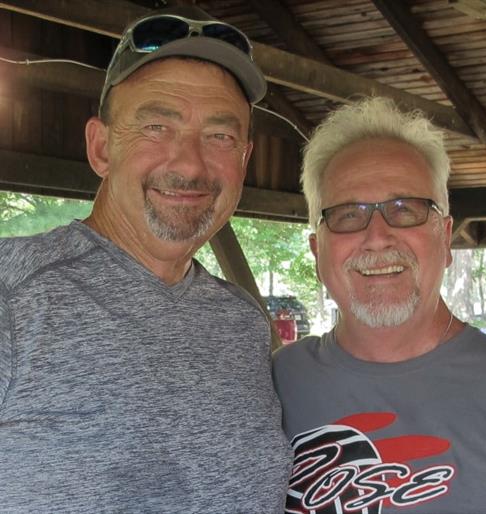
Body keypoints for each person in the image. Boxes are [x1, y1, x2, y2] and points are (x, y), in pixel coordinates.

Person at [0, 5, 292, 512]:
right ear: (101, 148)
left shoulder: (241, 323)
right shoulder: (13, 295)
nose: (190, 163)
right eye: (157, 126)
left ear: (243, 159)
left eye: (220, 136)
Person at [273, 97, 486, 514]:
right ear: (317, 249)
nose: (378, 236)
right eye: (348, 214)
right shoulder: (273, 385)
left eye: (406, 209)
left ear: (446, 237)